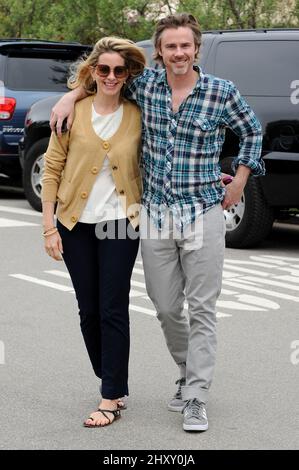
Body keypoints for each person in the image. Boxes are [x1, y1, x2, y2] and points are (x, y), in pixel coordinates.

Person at [50, 13, 265, 432]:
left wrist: (240, 178)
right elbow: (102, 80)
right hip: (154, 216)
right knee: (167, 307)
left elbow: (253, 131)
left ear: (196, 49)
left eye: (185, 45)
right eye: (170, 47)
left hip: (202, 211)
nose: (179, 53)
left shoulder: (221, 92)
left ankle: (196, 395)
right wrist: (68, 96)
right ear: (160, 52)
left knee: (202, 308)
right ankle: (186, 370)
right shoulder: (144, 86)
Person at [42, 37, 146, 428]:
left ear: (128, 74)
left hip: (121, 222)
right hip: (74, 224)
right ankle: (112, 379)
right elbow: (51, 169)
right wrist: (48, 227)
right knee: (88, 311)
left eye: (120, 70)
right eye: (103, 69)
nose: (111, 76)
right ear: (92, 72)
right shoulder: (71, 112)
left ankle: (110, 395)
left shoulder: (138, 113)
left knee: (113, 307)